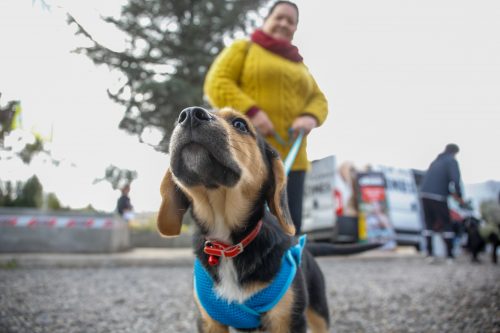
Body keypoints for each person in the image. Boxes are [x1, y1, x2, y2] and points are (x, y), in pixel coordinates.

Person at [203, 1, 328, 234]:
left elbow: (319, 100)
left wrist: (310, 116)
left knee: (289, 224)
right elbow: (217, 82)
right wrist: (252, 113)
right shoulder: (244, 49)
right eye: (279, 17)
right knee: (245, 224)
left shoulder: (301, 68)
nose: (284, 24)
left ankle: (288, 271)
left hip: (292, 159)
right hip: (249, 153)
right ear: (266, 20)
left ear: (295, 29)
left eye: (291, 21)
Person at [420, 143, 465, 262]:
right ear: (455, 152)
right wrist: (459, 196)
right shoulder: (451, 161)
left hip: (424, 194)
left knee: (429, 224)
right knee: (446, 224)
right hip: (439, 196)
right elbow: (455, 179)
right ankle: (449, 256)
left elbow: (433, 180)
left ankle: (429, 254)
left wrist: (450, 193)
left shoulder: (435, 161)